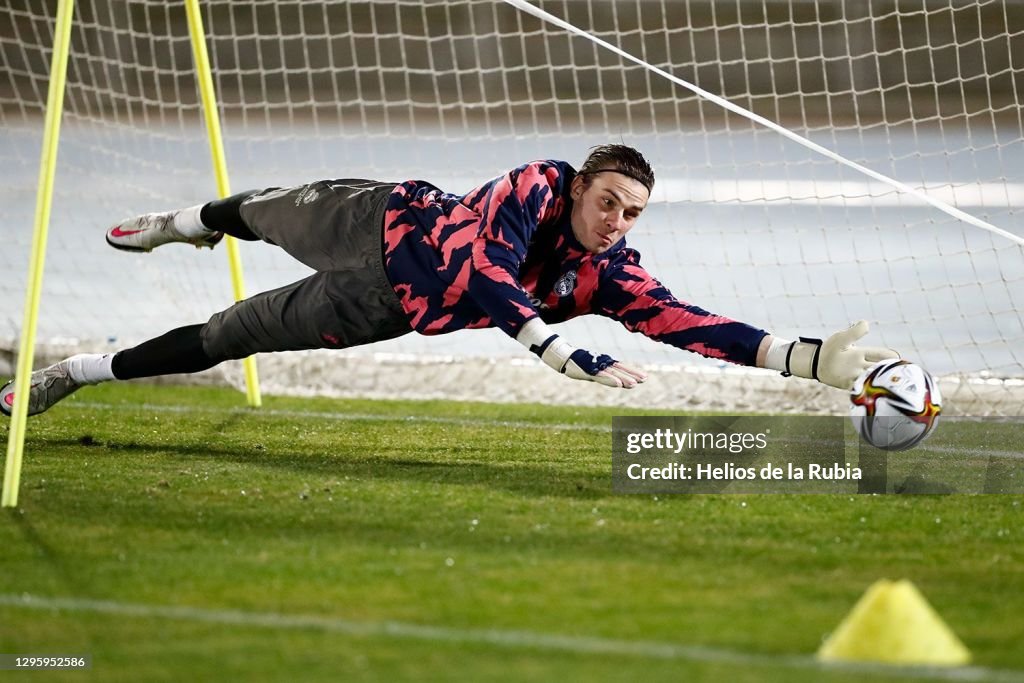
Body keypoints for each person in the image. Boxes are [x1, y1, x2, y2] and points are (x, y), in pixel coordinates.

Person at [1, 144, 898, 417]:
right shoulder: (532, 188)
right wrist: (551, 347)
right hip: (374, 218)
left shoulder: (606, 273)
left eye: (634, 215)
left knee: (227, 335)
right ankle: (184, 225)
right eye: (611, 202)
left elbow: (683, 321)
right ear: (581, 185)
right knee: (264, 209)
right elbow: (483, 271)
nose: (618, 222)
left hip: (374, 305)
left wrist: (804, 357)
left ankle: (68, 376)